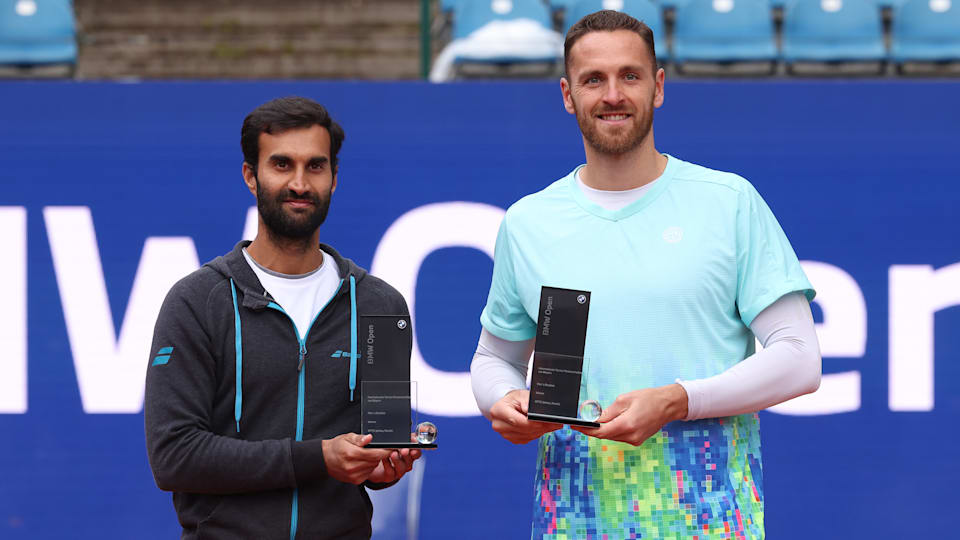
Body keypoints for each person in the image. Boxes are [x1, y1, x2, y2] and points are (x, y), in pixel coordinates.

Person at [471, 11, 821, 539]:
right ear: (568, 95)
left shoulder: (729, 202)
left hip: (711, 523)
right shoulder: (527, 223)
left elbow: (799, 358)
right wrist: (505, 400)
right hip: (573, 522)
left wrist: (677, 400)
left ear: (658, 87)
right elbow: (494, 358)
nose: (613, 94)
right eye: (594, 79)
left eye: (629, 76)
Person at [144, 96, 421, 539]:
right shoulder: (198, 301)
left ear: (334, 178)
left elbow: (375, 455)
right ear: (251, 177)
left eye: (315, 166)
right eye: (281, 165)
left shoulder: (379, 305)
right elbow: (174, 456)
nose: (299, 183)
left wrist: (385, 465)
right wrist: (318, 457)